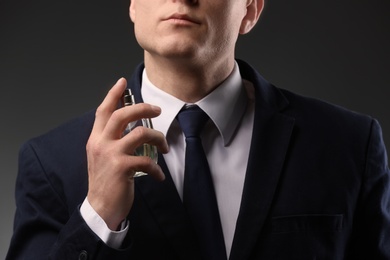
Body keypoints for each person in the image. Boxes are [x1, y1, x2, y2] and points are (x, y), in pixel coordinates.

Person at [7, 0, 390, 259]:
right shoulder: (51, 162)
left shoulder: (349, 145)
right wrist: (98, 217)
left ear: (251, 9)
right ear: (133, 4)